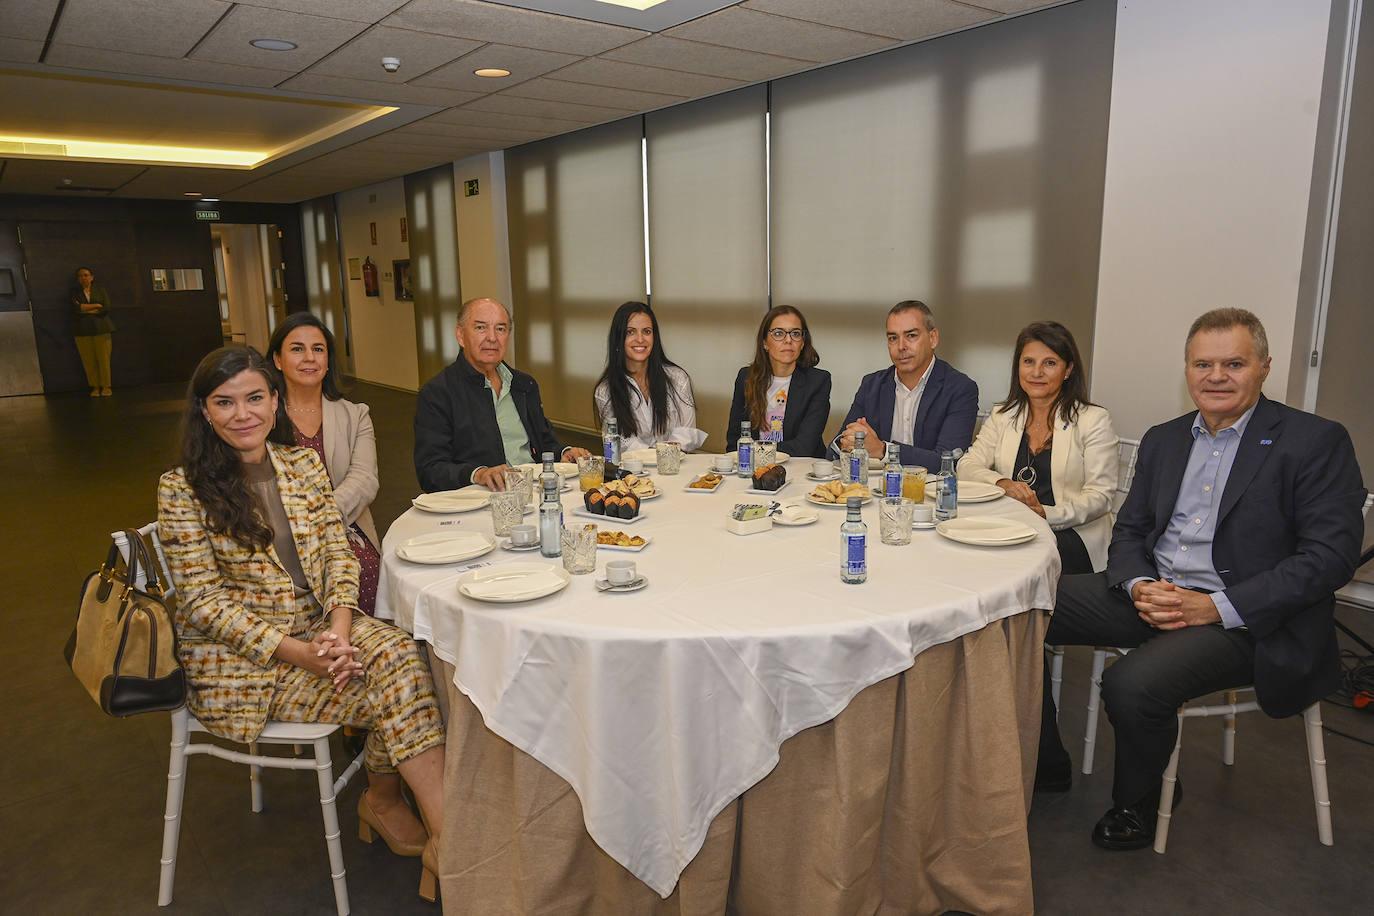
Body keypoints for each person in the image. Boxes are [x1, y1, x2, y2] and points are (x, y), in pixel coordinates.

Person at [1038, 308, 1365, 851]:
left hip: (1244, 618)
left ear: (1264, 367)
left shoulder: (1314, 441)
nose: (1216, 376)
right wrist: (1140, 584)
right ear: (1187, 370)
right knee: (1023, 607)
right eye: (1203, 364)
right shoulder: (1165, 439)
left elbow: (1329, 558)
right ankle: (1044, 762)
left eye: (1233, 363)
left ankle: (1138, 803)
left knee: (1132, 684)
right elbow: (1131, 530)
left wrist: (1215, 607)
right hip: (1154, 593)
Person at [158, 346, 447, 898]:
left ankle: (401, 809)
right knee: (402, 686)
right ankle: (438, 830)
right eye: (225, 402)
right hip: (246, 665)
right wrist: (298, 651)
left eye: (254, 398)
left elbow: (340, 553)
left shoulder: (301, 465)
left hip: (320, 627)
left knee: (407, 654)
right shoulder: (182, 489)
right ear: (204, 412)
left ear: (274, 402)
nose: (243, 414)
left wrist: (338, 630)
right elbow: (202, 602)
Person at [958, 321, 1118, 574]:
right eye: (1029, 362)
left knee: (999, 565)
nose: (1037, 372)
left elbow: (1100, 497)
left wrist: (1046, 513)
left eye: (1050, 363)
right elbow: (966, 466)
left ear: (1068, 370)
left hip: (1070, 534)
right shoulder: (1003, 415)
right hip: (1010, 528)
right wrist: (1002, 483)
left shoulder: (1093, 420)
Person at [267, 312, 382, 614]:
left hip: (345, 528)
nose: (309, 358)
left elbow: (364, 480)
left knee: (366, 570)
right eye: (297, 349)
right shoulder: (261, 417)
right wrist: (295, 529)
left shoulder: (355, 415)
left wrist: (319, 520)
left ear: (328, 360)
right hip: (278, 539)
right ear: (277, 359)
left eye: (318, 349)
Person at [414, 297, 591, 492]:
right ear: (460, 335)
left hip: (534, 490)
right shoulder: (438, 393)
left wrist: (564, 453)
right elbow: (430, 470)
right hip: (483, 499)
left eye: (500, 329)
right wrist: (478, 474)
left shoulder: (524, 384)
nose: (492, 338)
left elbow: (543, 442)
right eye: (481, 328)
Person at [836, 300, 978, 468]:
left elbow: (947, 462)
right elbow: (837, 447)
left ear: (933, 338)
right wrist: (849, 442)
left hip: (931, 491)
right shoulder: (872, 385)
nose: (901, 346)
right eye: (893, 338)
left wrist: (883, 450)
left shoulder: (960, 388)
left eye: (911, 335)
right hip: (876, 488)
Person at [593, 301, 706, 452]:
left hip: (676, 468)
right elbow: (620, 444)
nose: (640, 339)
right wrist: (657, 455)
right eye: (630, 332)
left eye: (646, 331)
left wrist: (663, 457)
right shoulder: (605, 391)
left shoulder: (677, 378)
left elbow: (687, 433)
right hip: (633, 472)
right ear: (618, 339)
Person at [725, 305, 832, 458]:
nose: (788, 340)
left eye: (795, 334)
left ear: (802, 343)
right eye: (778, 333)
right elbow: (734, 440)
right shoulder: (746, 377)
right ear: (765, 343)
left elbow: (804, 446)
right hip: (754, 467)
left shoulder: (818, 381)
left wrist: (754, 451)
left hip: (801, 468)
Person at [69, 266, 115, 397]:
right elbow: (75, 309)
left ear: (92, 277)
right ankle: (95, 387)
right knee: (88, 360)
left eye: (86, 275)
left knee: (104, 359)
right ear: (77, 279)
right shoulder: (74, 292)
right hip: (82, 330)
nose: (83, 278)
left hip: (102, 328)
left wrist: (85, 309)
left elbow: (106, 308)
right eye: (80, 276)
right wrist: (95, 306)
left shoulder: (100, 290)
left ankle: (106, 386)